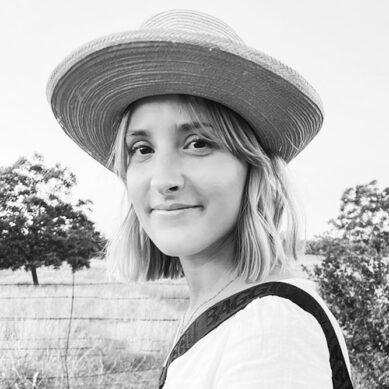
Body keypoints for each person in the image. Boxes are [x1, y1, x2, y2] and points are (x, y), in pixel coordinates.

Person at [47, 9, 354, 389]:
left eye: (198, 143)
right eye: (142, 149)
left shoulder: (270, 329)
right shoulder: (219, 308)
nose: (164, 179)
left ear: (252, 167)